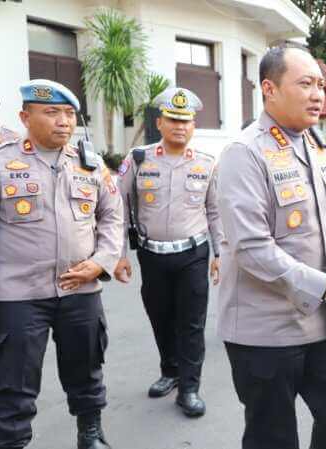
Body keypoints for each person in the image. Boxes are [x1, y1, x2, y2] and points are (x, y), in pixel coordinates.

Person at [215, 42, 326, 449]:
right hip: (265, 331)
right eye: (305, 84)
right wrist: (325, 285)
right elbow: (250, 248)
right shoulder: (244, 154)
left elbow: (316, 236)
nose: (318, 94)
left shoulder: (315, 147)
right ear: (269, 89)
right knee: (273, 437)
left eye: (319, 84)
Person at [0, 80, 123, 449]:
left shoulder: (89, 163)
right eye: (52, 112)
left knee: (86, 368)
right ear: (25, 116)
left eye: (69, 113)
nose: (63, 122)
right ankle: (12, 442)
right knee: (13, 380)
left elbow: (113, 215)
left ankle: (90, 433)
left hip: (80, 289)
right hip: (18, 292)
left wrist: (101, 263)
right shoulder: (3, 161)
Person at [113, 87, 223, 417]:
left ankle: (189, 388)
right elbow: (118, 206)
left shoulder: (206, 164)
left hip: (193, 254)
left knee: (191, 323)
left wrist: (221, 254)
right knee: (160, 317)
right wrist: (119, 254)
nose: (180, 127)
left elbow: (215, 211)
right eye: (173, 120)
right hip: (151, 256)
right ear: (159, 123)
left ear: (193, 126)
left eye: (186, 121)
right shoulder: (137, 159)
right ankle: (170, 371)